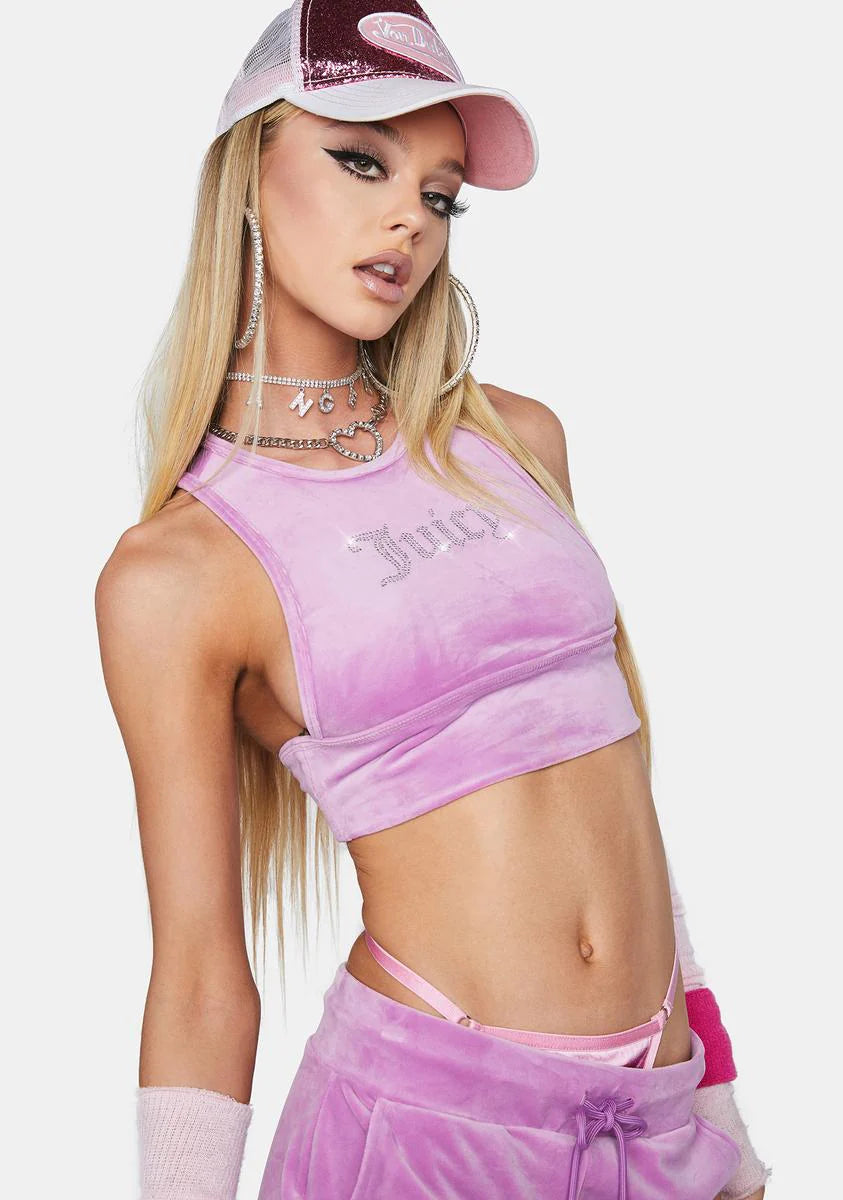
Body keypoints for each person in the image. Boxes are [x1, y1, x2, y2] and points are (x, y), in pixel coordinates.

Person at [95, 3, 772, 1197]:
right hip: (420, 1139)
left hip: (654, 1125)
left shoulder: (517, 442)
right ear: (248, 171)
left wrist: (722, 1119)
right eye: (362, 162)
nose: (409, 216)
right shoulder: (178, 574)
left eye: (442, 194)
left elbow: (620, 803)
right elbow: (200, 980)